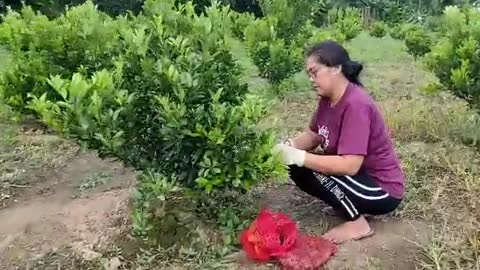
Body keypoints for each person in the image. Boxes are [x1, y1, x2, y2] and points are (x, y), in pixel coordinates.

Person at [273, 40, 405, 244]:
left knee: (305, 165)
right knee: (299, 166)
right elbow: (314, 135)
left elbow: (350, 165)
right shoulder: (327, 99)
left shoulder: (356, 104)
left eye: (314, 72)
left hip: (380, 190)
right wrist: (287, 147)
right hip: (360, 179)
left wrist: (300, 157)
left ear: (336, 68)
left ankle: (358, 223)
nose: (311, 79)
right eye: (309, 74)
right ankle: (346, 204)